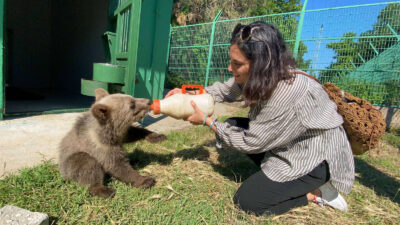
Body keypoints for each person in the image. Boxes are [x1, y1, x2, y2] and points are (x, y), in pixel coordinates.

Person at [165, 21, 355, 216]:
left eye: (237, 64)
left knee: (247, 201)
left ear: (260, 64)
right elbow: (227, 89)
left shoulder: (289, 92)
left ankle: (316, 193)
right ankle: (279, 178)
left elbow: (252, 141)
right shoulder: (267, 75)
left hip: (313, 159)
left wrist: (208, 122)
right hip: (291, 144)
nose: (230, 68)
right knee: (232, 125)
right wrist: (191, 94)